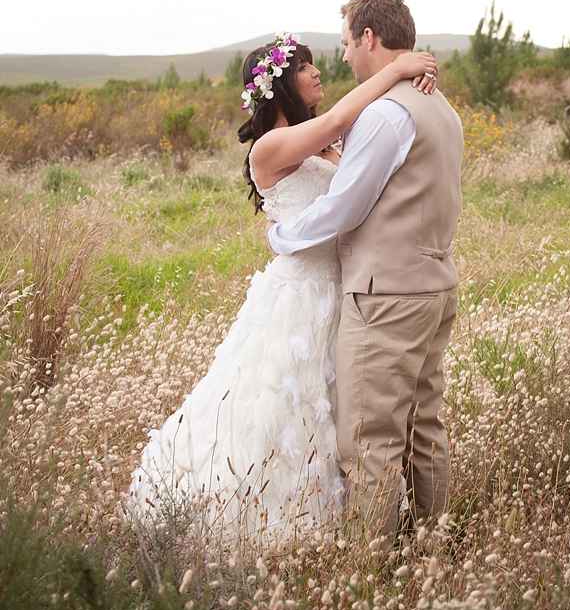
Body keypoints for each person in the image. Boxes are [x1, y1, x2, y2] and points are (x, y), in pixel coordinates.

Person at [127, 31, 438, 540]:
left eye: (317, 63)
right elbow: (340, 118)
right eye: (304, 67)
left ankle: (362, 513)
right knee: (283, 402)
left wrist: (408, 81)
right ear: (278, 87)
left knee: (347, 405)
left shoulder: (319, 140)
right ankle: (273, 513)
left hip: (345, 286)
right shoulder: (271, 145)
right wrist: (398, 68)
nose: (317, 73)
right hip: (299, 294)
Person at [268, 0, 463, 541]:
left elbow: (344, 205)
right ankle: (433, 548)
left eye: (349, 45)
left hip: (386, 297)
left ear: (370, 39)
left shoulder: (384, 115)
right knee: (426, 428)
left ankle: (369, 569)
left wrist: (283, 236)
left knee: (370, 439)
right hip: (433, 286)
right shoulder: (439, 106)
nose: (347, 59)